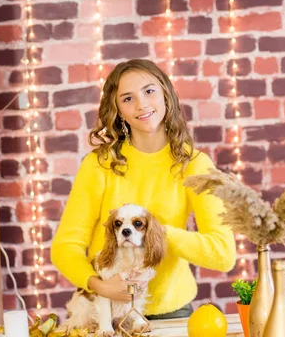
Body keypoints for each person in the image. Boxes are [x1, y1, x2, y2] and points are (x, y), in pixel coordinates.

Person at [51, 59, 236, 319]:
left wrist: (158, 234)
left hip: (169, 312)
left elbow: (223, 254)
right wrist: (100, 286)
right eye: (127, 99)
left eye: (149, 91)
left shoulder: (194, 165)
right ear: (118, 111)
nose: (141, 104)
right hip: (107, 311)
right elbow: (65, 246)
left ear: (165, 95)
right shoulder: (100, 165)